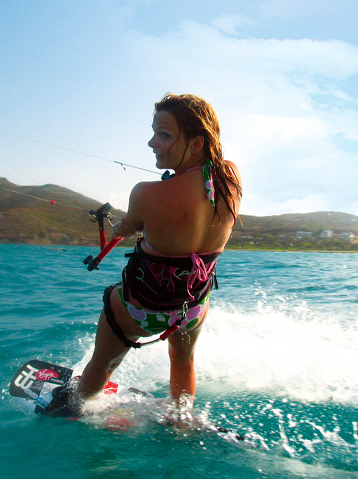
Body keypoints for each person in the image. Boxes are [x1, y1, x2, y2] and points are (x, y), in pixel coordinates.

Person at [43, 93, 242, 417]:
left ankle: (76, 404)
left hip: (139, 309)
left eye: (164, 134)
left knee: (103, 363)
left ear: (195, 144)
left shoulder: (146, 193)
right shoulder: (231, 180)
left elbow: (125, 228)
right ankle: (180, 419)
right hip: (190, 310)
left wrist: (123, 224)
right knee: (182, 361)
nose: (152, 142)